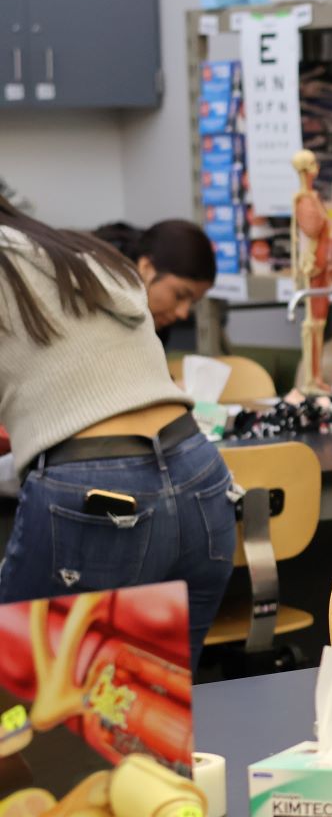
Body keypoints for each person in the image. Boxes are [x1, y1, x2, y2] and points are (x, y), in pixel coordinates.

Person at [0, 198, 234, 666]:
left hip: (98, 493)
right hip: (201, 476)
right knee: (148, 711)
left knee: (23, 704)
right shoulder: (83, 252)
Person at [92, 220, 216, 333]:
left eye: (193, 302)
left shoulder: (153, 324)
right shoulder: (91, 301)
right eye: (179, 295)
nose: (183, 313)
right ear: (146, 267)